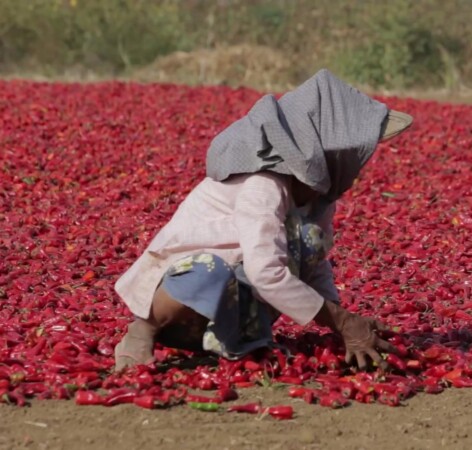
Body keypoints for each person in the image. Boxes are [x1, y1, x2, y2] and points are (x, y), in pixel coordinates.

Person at [113, 69, 413, 372]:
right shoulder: (265, 184)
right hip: (182, 299)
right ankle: (144, 329)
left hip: (229, 297)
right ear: (329, 147)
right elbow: (265, 274)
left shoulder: (316, 192)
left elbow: (313, 262)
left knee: (309, 240)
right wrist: (343, 322)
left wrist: (341, 322)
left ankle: (237, 337)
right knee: (209, 271)